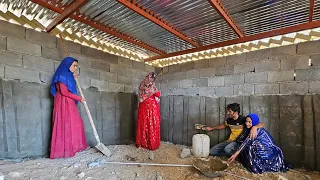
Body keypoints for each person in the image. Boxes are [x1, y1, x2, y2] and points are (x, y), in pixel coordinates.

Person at [49, 57, 87, 159]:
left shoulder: (68, 76)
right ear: (67, 65)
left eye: (76, 66)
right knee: (65, 125)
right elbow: (64, 92)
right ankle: (63, 151)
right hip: (63, 103)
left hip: (69, 103)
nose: (75, 68)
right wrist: (79, 98)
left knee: (75, 124)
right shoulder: (61, 76)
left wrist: (74, 78)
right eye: (74, 65)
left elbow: (71, 87)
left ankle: (72, 148)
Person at [136, 72, 161, 150]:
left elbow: (140, 97)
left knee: (144, 124)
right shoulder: (152, 85)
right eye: (152, 77)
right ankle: (151, 143)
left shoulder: (141, 84)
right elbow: (158, 94)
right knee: (151, 123)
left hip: (143, 106)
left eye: (153, 78)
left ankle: (142, 143)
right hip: (151, 108)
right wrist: (157, 93)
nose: (152, 79)